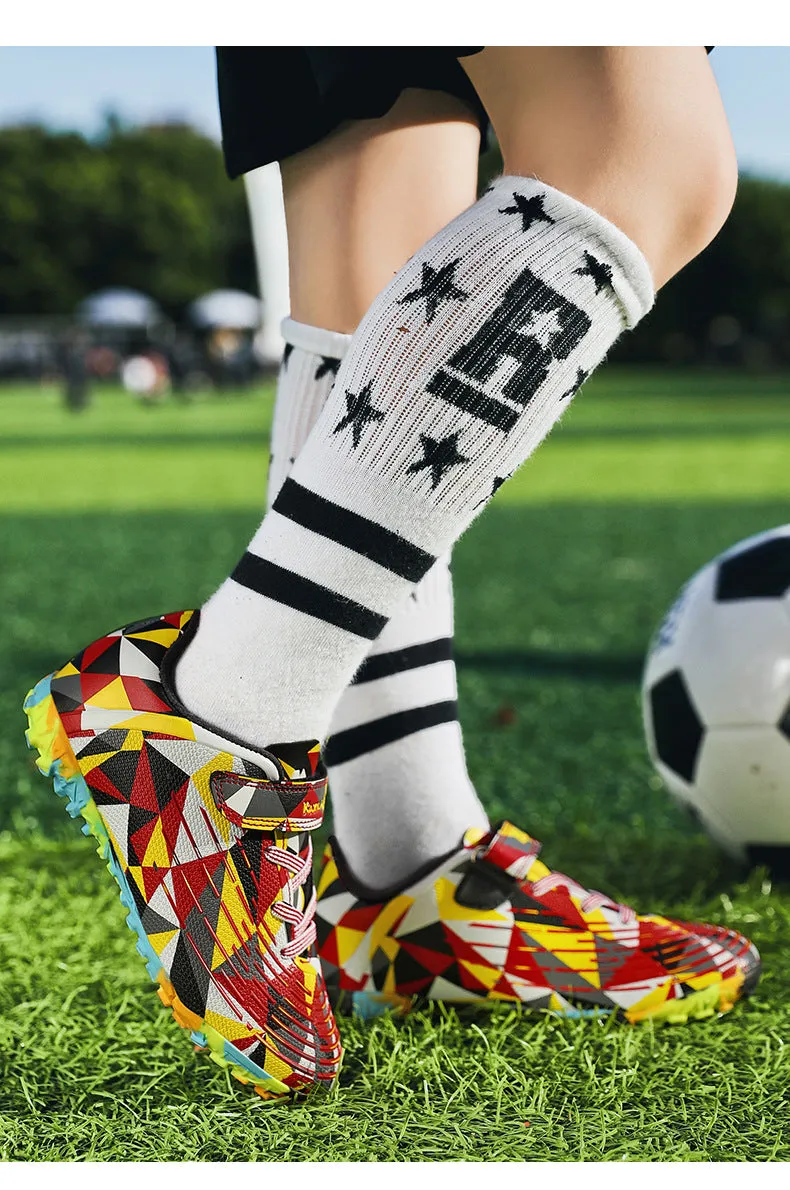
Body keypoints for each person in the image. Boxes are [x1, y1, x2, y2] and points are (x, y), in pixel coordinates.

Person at [25, 47, 760, 1101]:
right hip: (212, 709)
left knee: (378, 251)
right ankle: (214, 719)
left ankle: (404, 874)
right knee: (642, 159)